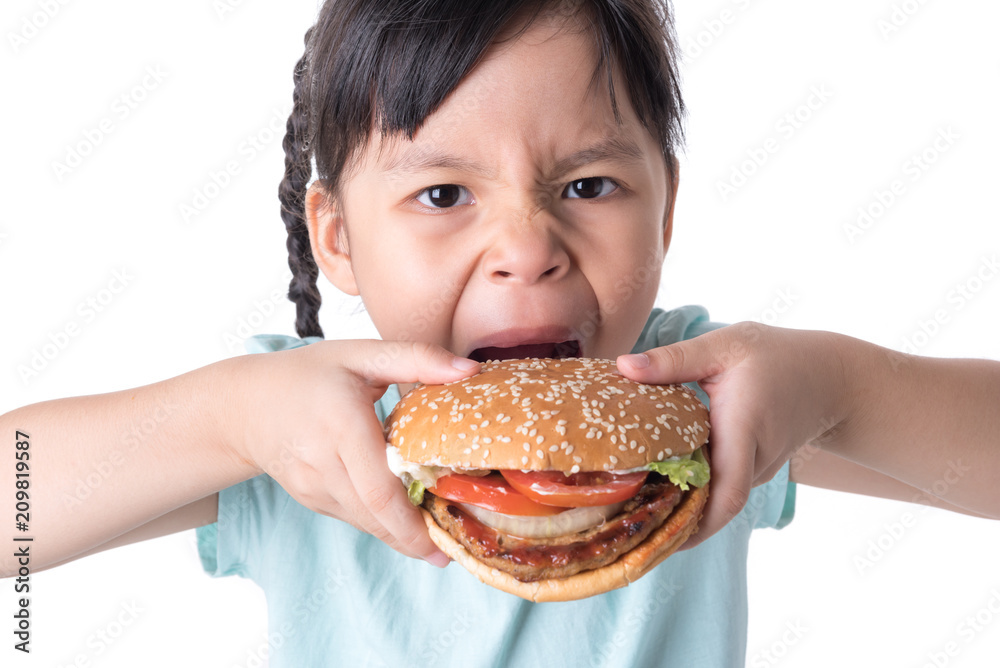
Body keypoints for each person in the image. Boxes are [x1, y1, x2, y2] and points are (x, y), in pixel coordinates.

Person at [2, 1, 997, 666]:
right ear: (337, 238)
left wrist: (842, 387)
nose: (527, 247)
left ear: (666, 209)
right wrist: (222, 417)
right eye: (442, 193)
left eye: (588, 186)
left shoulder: (693, 397)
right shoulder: (303, 432)